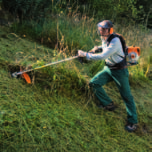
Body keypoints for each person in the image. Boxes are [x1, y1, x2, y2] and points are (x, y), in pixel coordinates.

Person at [78, 20, 138, 132]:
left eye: (104, 29)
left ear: (110, 30)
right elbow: (105, 49)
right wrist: (98, 48)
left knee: (126, 96)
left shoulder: (115, 40)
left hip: (120, 72)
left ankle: (133, 122)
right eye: (100, 28)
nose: (101, 30)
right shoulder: (104, 37)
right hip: (109, 69)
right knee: (94, 83)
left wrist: (85, 55)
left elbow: (102, 56)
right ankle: (108, 104)